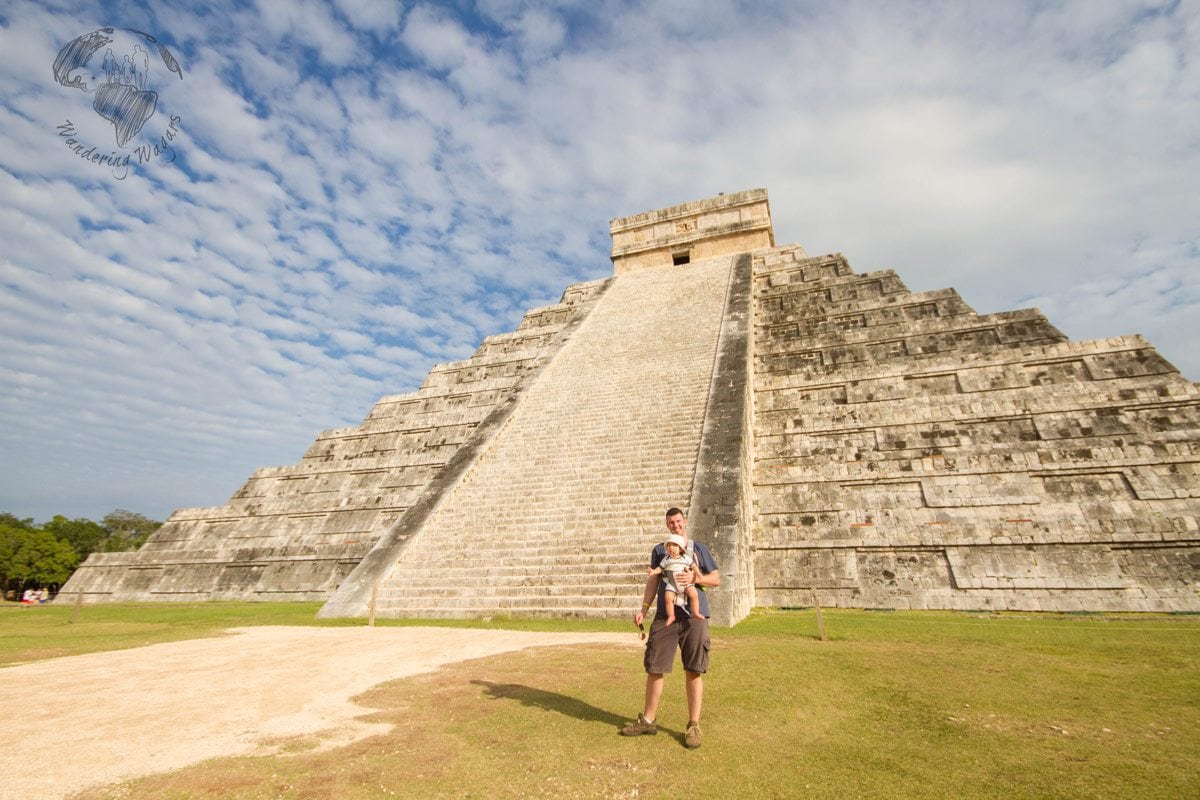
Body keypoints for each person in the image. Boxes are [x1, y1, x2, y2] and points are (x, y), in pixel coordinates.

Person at [621, 507, 719, 749]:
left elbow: (715, 579)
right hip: (666, 615)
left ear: (684, 522)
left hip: (694, 617)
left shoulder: (698, 549)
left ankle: (694, 724)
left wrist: (696, 579)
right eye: (670, 523)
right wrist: (644, 608)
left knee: (694, 669)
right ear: (667, 526)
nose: (675, 525)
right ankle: (648, 720)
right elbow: (653, 581)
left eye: (678, 521)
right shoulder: (660, 550)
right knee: (655, 667)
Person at [647, 533, 704, 625]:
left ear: (680, 549)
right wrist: (653, 572)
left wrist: (698, 574)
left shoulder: (685, 558)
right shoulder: (666, 559)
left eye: (674, 546)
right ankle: (671, 615)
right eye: (669, 546)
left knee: (693, 594)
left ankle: (695, 612)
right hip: (672, 584)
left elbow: (694, 566)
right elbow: (660, 568)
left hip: (685, 583)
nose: (671, 548)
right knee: (668, 597)